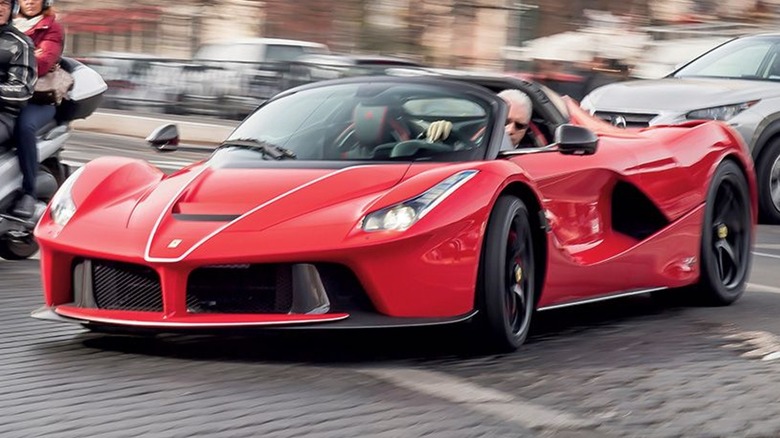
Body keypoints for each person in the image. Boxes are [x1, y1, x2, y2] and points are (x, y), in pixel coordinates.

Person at [11, 0, 62, 218]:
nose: (29, 1)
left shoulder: (51, 28)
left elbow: (40, 64)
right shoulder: (9, 25)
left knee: (24, 127)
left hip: (39, 100)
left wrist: (9, 60)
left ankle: (29, 192)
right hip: (11, 96)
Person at [426, 88, 544, 149]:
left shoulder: (531, 154)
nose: (510, 130)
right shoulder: (468, 135)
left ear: (527, 128)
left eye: (519, 126)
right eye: (504, 121)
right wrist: (439, 136)